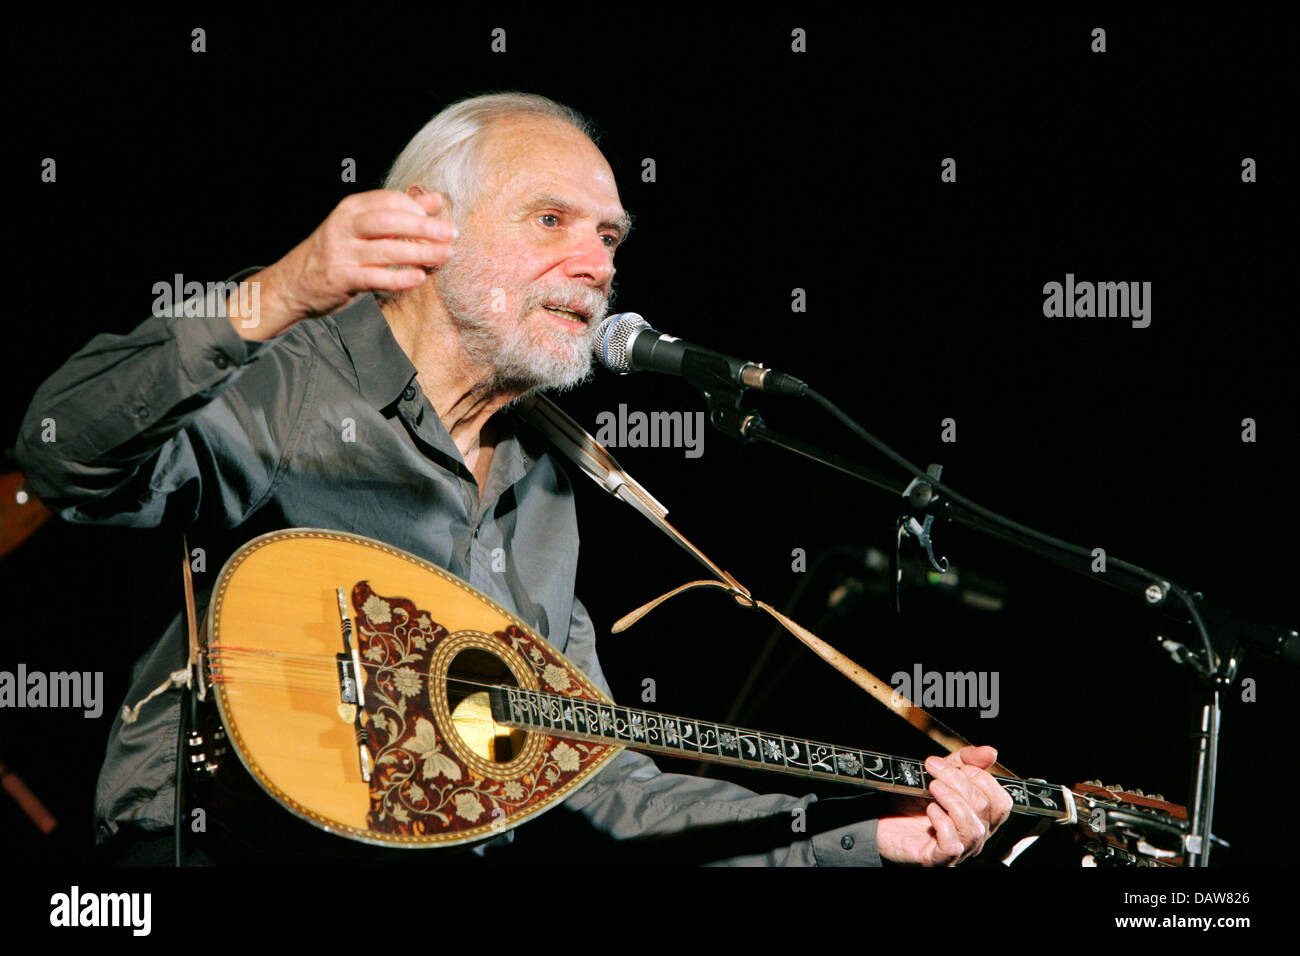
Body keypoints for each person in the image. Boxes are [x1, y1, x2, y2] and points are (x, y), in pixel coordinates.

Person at [14, 92, 1011, 866]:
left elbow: (597, 778)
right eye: (550, 220)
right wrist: (277, 293)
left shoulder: (549, 482)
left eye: (610, 237)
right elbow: (63, 453)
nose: (596, 264)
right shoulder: (281, 376)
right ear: (422, 229)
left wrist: (864, 834)